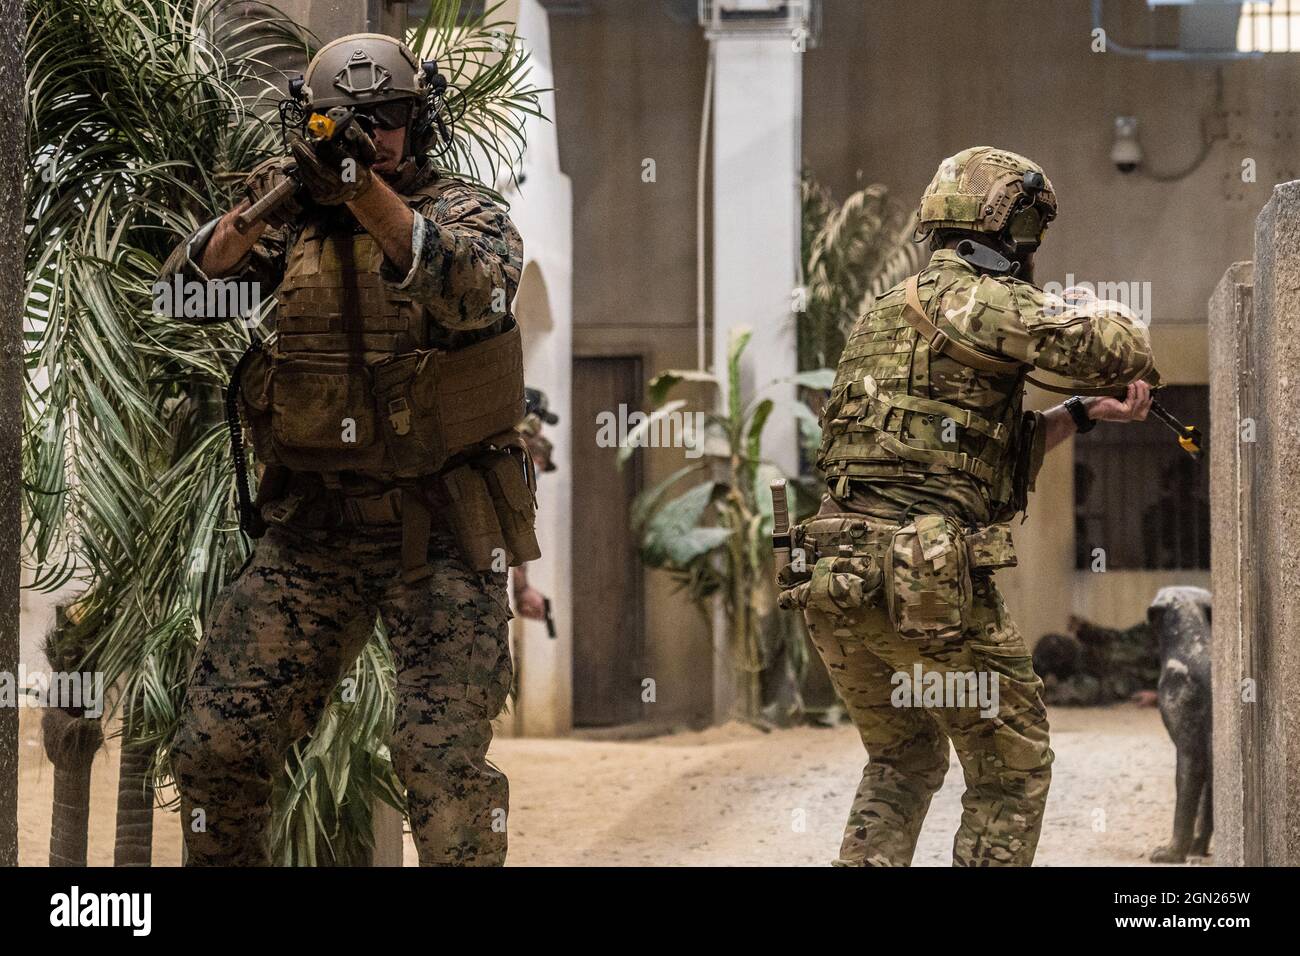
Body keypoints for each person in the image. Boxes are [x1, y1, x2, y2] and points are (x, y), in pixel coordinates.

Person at [161, 33, 538, 866]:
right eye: (352, 120)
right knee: (215, 749)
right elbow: (184, 290)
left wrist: (362, 189)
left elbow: (471, 287)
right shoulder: (286, 212)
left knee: (441, 771)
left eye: (391, 116)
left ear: (421, 118)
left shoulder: (465, 210)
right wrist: (277, 202)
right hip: (315, 531)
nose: (376, 134)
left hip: (442, 532)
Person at [779, 146, 1158, 866]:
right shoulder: (981, 297)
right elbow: (1123, 346)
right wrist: (1086, 304)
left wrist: (1078, 414)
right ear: (1013, 229)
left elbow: (969, 453)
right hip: (917, 581)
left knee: (904, 756)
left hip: (833, 576)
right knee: (1010, 768)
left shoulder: (886, 313)